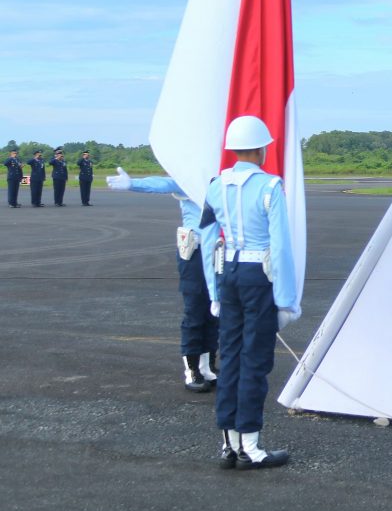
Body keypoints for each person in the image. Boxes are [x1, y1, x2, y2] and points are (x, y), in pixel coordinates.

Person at [200, 115, 298, 470]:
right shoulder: (271, 187)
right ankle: (251, 447)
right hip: (258, 277)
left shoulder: (215, 186)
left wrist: (213, 290)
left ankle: (228, 442)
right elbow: (281, 247)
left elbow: (208, 239)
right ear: (261, 149)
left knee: (229, 356)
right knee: (255, 359)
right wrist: (286, 299)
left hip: (228, 274)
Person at [107, 168, 219, 392]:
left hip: (217, 251)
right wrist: (133, 184)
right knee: (195, 310)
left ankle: (207, 365)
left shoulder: (221, 176)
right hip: (195, 251)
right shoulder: (190, 177)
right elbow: (163, 184)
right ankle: (192, 369)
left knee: (214, 312)